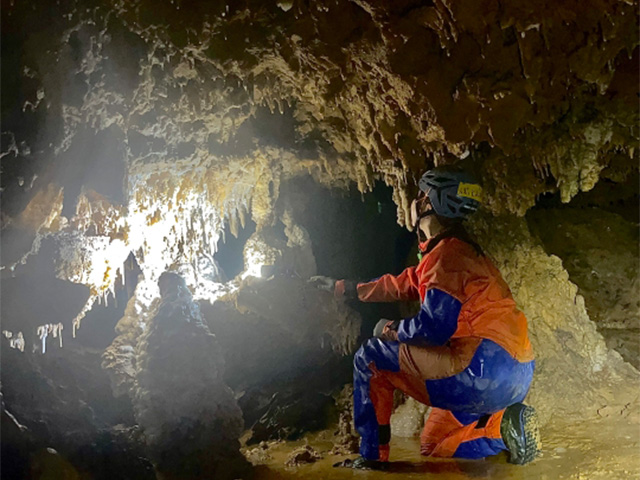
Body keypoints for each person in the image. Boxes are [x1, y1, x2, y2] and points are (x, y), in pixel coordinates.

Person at [313, 166, 540, 469]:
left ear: (425, 203)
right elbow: (403, 283)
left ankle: (372, 458)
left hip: (480, 369)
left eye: (418, 195)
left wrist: (389, 329)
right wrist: (344, 288)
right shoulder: (460, 252)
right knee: (435, 443)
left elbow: (432, 329)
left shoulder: (447, 259)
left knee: (370, 358)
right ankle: (504, 428)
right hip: (517, 373)